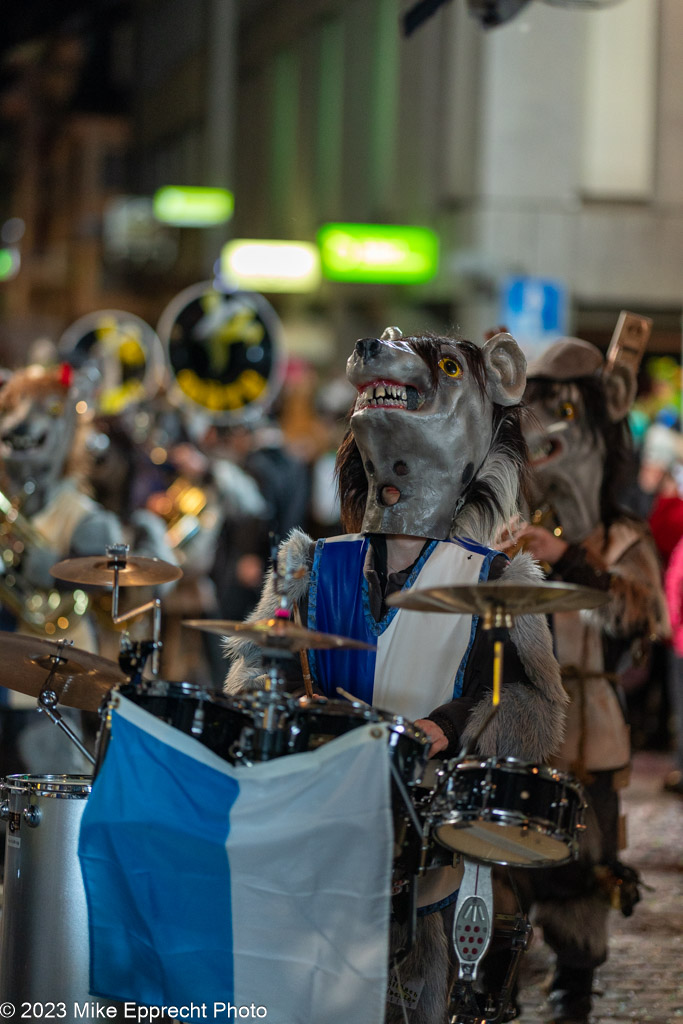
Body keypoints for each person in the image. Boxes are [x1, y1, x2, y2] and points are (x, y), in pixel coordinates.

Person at [225, 327, 567, 1024]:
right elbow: (252, 686)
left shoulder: (497, 576)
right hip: (314, 834)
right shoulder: (308, 563)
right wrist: (295, 712)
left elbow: (523, 703)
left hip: (428, 839)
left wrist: (444, 732)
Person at [502, 337, 669, 1024]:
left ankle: (574, 994)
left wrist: (570, 557)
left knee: (581, 882)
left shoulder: (622, 535)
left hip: (590, 734)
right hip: (515, 726)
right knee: (503, 865)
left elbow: (639, 619)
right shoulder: (506, 525)